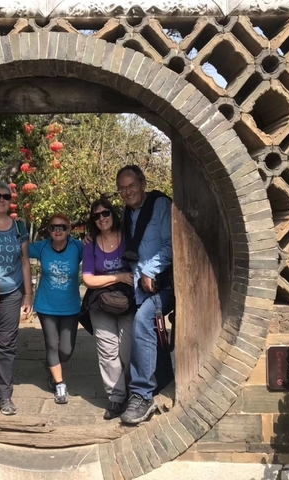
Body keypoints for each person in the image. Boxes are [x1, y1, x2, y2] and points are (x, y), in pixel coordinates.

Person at [116, 165, 175, 425]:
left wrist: (151, 270)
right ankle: (163, 383)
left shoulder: (160, 205)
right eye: (122, 188)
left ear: (142, 183)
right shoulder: (127, 215)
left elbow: (171, 244)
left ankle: (141, 395)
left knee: (142, 323)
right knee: (147, 333)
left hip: (166, 283)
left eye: (131, 185)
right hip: (141, 287)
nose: (127, 191)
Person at [0, 181, 34, 415]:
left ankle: (4, 395)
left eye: (6, 196)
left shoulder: (19, 227)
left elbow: (24, 262)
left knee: (6, 346)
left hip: (11, 293)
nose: (1, 200)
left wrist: (28, 295)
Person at [82, 198, 135, 420]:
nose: (102, 218)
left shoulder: (127, 235)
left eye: (105, 213)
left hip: (126, 301)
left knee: (127, 350)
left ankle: (133, 393)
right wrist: (119, 276)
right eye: (97, 215)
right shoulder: (91, 244)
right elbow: (88, 280)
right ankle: (115, 397)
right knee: (108, 352)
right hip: (101, 303)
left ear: (113, 214)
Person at [29, 214, 84, 404]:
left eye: (62, 227)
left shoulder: (78, 247)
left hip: (70, 307)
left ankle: (53, 365)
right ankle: (59, 384)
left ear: (69, 229)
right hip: (46, 306)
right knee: (52, 345)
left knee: (66, 350)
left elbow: (97, 254)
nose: (57, 230)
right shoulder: (42, 247)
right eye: (53, 227)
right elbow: (19, 251)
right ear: (49, 230)